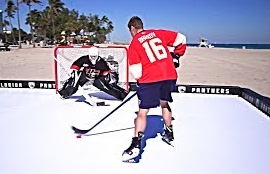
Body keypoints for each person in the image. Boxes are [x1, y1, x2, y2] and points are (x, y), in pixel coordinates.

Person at [122, 16, 187, 162]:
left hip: (150, 79)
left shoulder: (133, 44)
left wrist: (140, 82)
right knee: (164, 103)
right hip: (169, 75)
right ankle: (169, 132)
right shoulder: (158, 33)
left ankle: (136, 144)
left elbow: (136, 70)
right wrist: (176, 56)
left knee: (142, 112)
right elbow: (181, 39)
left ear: (132, 29)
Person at [58, 46, 129, 101]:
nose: (93, 58)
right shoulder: (84, 59)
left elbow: (106, 72)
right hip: (85, 76)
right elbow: (75, 66)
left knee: (101, 84)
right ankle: (64, 93)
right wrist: (75, 72)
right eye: (91, 56)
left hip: (97, 77)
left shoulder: (102, 63)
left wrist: (107, 77)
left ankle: (121, 94)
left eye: (94, 56)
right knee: (74, 80)